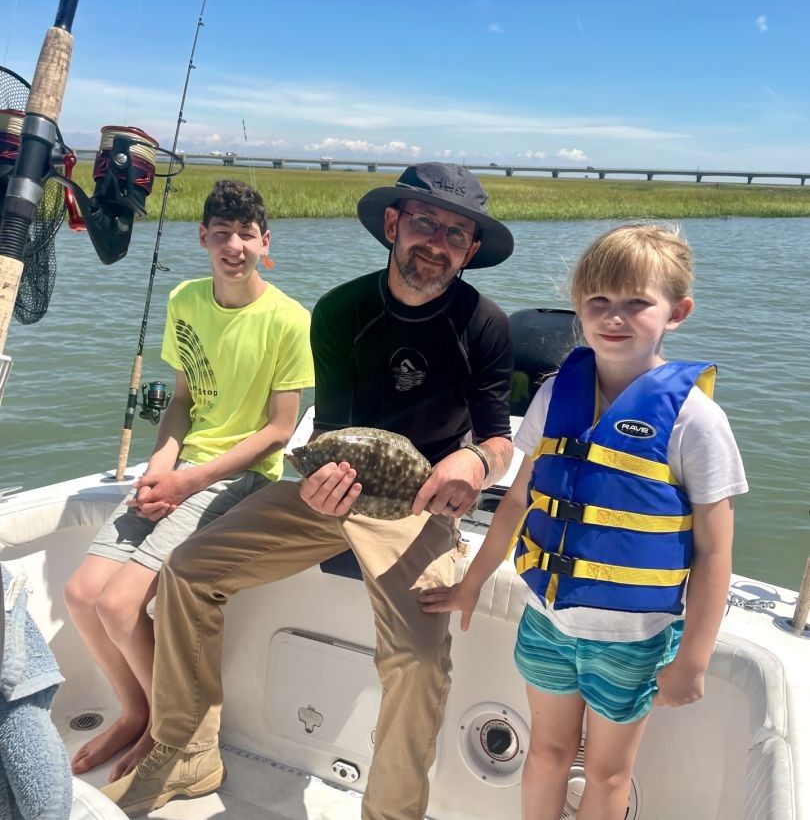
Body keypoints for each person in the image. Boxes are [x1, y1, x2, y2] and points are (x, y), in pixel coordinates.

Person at [101, 162, 516, 820]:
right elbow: (335, 433)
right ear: (392, 225)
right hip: (333, 490)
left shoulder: (486, 325)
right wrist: (320, 483)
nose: (437, 242)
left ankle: (391, 813)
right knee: (188, 571)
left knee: (418, 657)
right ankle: (189, 752)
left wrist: (473, 463)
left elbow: (499, 438)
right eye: (425, 223)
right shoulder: (341, 311)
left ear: (470, 250)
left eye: (456, 234)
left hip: (421, 503)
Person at [420, 223, 747, 820]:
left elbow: (716, 551)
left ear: (677, 312)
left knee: (606, 771)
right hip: (547, 622)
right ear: (578, 307)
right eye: (599, 301)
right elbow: (519, 502)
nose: (614, 316)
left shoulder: (696, 421)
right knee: (545, 754)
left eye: (636, 303)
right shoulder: (554, 395)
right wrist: (472, 582)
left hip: (634, 642)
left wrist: (693, 659)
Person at [64, 180, 314, 781]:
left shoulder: (289, 320)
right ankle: (136, 710)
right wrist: (159, 468)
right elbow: (181, 402)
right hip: (179, 469)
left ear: (265, 242)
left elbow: (280, 430)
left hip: (240, 476)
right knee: (81, 594)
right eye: (221, 233)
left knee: (122, 605)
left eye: (246, 235)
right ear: (203, 238)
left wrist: (189, 479)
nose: (234, 246)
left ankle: (170, 732)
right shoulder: (185, 299)